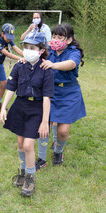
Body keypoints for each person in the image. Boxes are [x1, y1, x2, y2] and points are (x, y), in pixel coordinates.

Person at [0, 32, 54, 196]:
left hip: (37, 108)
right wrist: (3, 107)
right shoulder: (19, 65)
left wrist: (45, 121)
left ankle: (30, 178)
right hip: (20, 106)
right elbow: (10, 88)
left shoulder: (46, 69)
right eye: (25, 47)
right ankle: (23, 173)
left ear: (40, 50)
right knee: (20, 143)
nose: (28, 51)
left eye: (32, 48)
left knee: (28, 145)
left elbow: (47, 97)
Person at [36, 23, 86, 169]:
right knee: (44, 126)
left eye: (60, 37)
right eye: (54, 36)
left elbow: (71, 64)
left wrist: (53, 65)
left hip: (68, 93)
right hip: (49, 92)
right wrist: (24, 60)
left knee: (63, 131)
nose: (55, 39)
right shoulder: (48, 50)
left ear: (69, 39)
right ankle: (41, 158)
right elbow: (35, 58)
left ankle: (58, 151)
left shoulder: (73, 51)